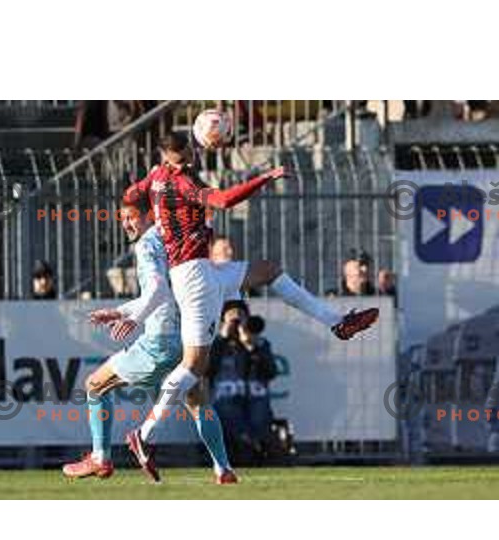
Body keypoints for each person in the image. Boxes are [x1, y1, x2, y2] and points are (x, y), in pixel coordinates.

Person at [122, 132, 379, 478]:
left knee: (270, 271)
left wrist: (137, 204)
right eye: (182, 158)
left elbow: (131, 193)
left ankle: (337, 322)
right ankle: (144, 434)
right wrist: (265, 177)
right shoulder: (180, 183)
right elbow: (225, 201)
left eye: (188, 155)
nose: (188, 161)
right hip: (193, 277)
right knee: (194, 365)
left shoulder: (157, 174)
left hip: (207, 269)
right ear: (171, 159)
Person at [62, 203, 235, 484]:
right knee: (196, 400)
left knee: (95, 385)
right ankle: (223, 469)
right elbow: (166, 293)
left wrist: (134, 318)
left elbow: (157, 291)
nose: (126, 224)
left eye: (131, 217)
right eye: (122, 219)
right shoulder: (177, 239)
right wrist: (121, 311)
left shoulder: (148, 244)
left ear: (149, 216)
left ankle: (100, 458)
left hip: (160, 341)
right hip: (188, 337)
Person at [208, 300, 278, 458]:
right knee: (228, 413)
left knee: (259, 417)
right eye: (232, 317)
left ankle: (254, 446)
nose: (237, 321)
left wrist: (252, 347)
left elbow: (271, 372)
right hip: (225, 396)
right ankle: (249, 445)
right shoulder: (215, 343)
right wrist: (223, 338)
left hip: (256, 396)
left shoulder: (260, 343)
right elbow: (207, 370)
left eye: (241, 316)